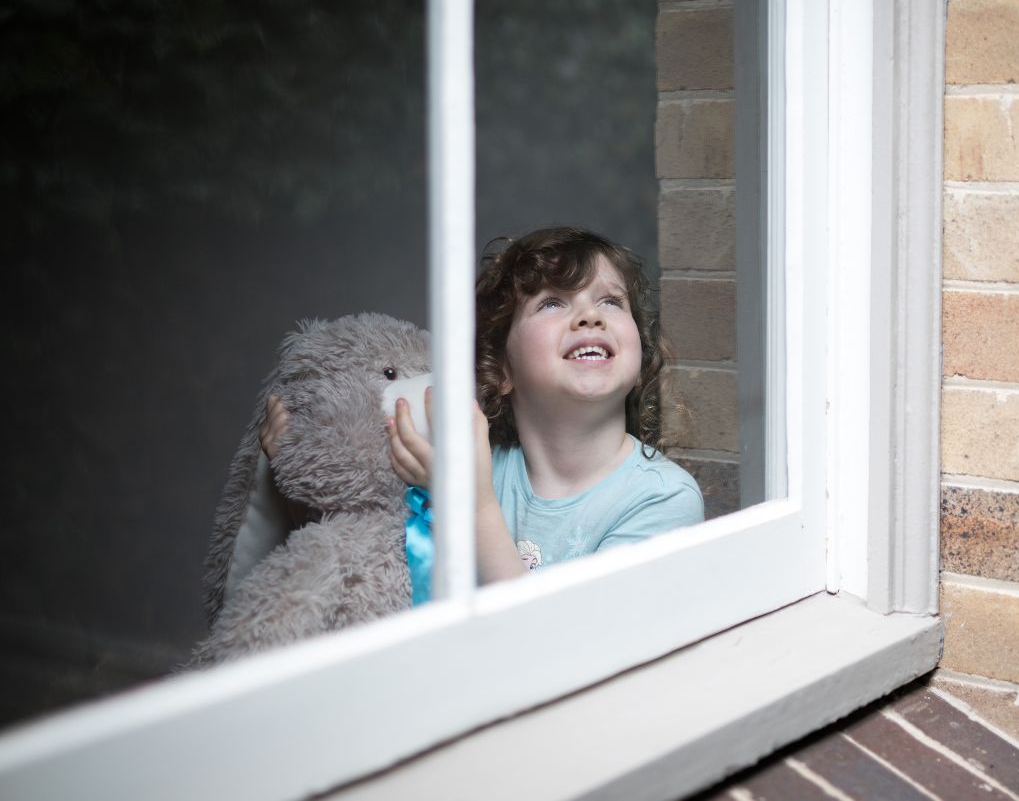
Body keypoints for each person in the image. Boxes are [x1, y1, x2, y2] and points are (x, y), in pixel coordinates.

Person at [262, 226, 704, 594]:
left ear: (640, 353)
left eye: (611, 301)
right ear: (502, 369)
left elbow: (559, 653)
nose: (590, 316)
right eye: (552, 302)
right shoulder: (475, 466)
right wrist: (299, 476)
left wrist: (470, 504)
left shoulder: (663, 499)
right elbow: (377, 570)